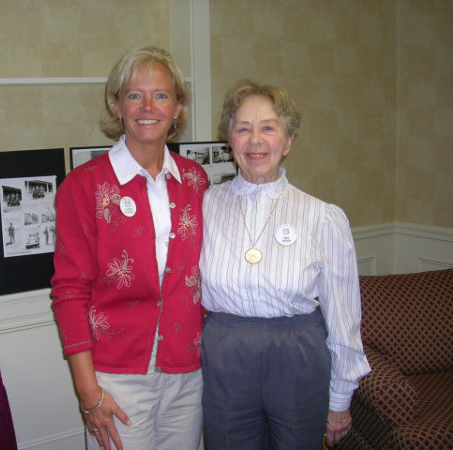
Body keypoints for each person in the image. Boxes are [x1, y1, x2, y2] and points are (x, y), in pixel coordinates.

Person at [50, 46, 208, 450]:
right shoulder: (84, 186)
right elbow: (69, 292)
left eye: (161, 95)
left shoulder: (195, 181)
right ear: (116, 105)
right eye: (134, 95)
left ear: (177, 107)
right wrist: (89, 393)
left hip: (186, 373)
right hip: (116, 378)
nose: (148, 106)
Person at [199, 79, 370, 449]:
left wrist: (339, 400)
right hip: (226, 358)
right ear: (230, 139)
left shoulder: (322, 217)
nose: (255, 140)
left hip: (298, 357)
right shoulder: (205, 206)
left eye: (268, 128)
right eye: (243, 129)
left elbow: (344, 317)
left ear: (288, 142)